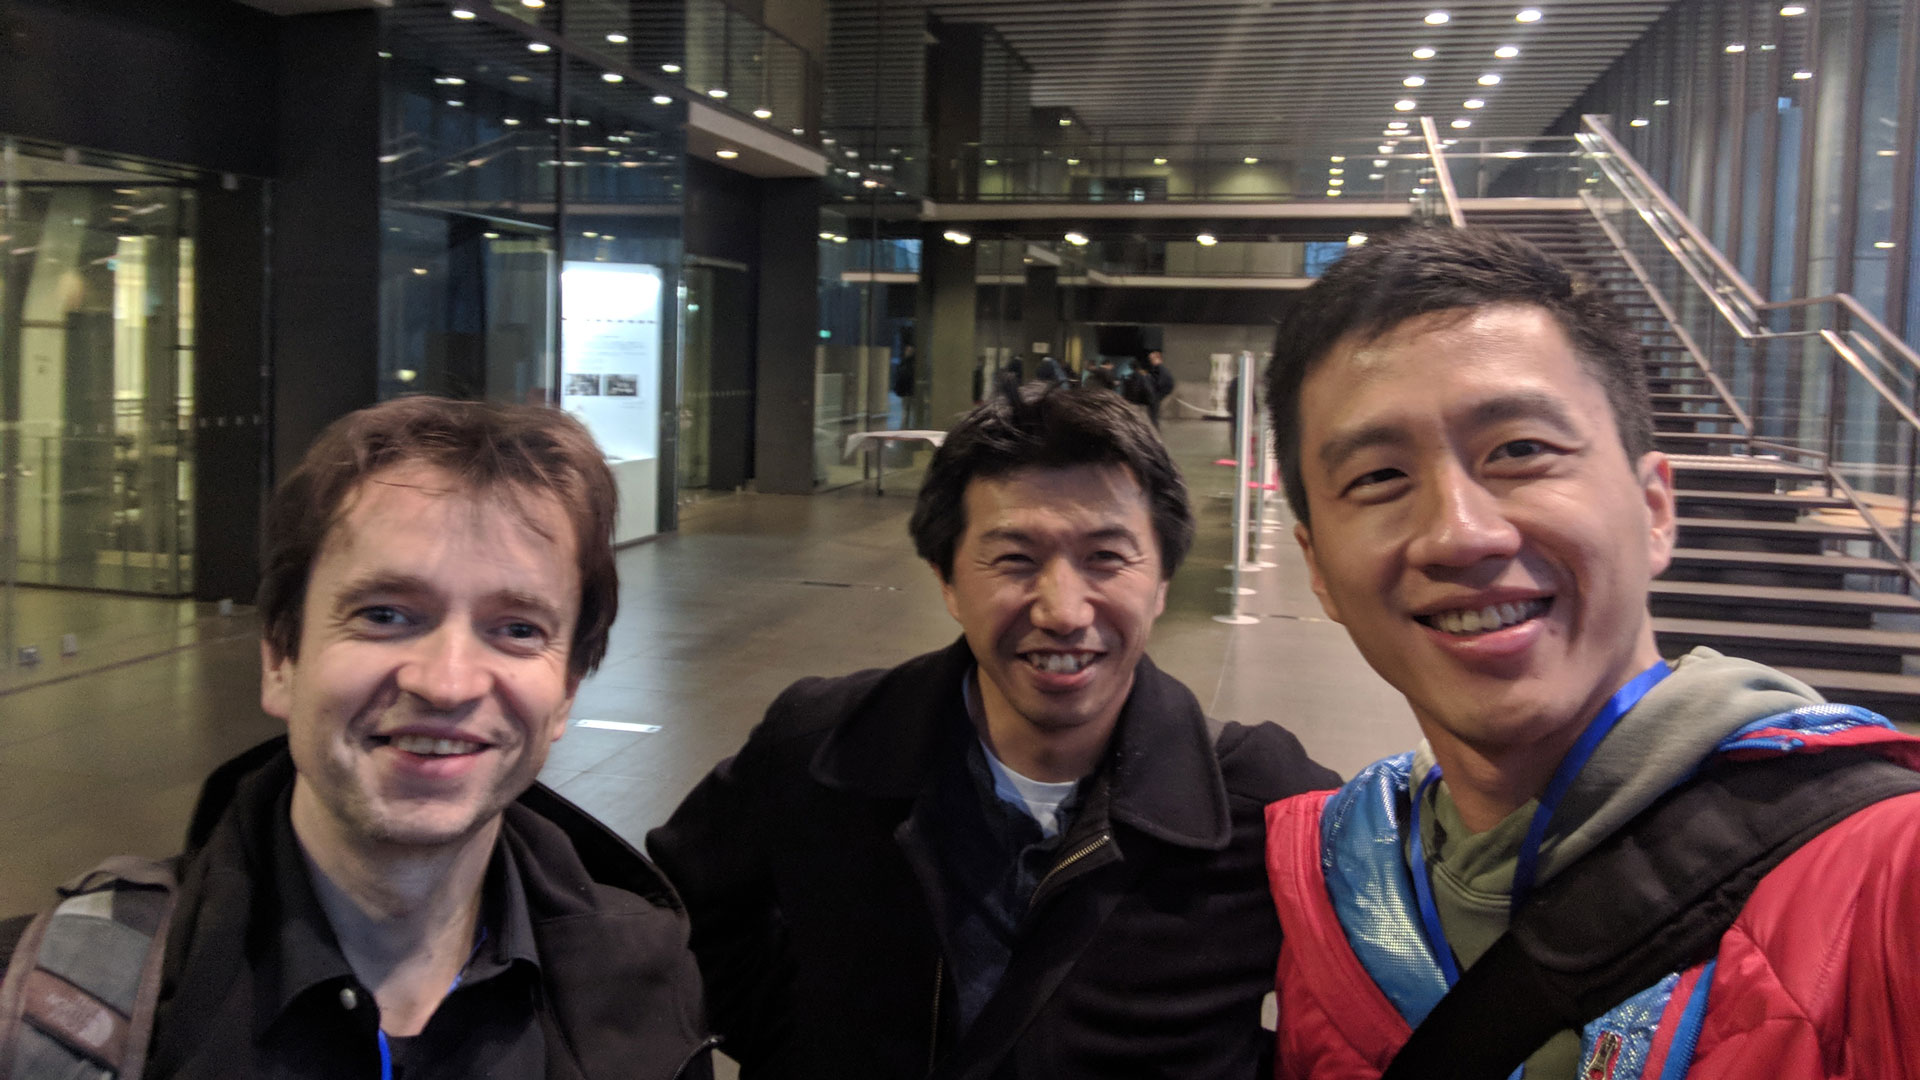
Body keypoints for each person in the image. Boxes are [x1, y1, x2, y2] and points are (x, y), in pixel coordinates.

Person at [1260, 228, 1920, 1079]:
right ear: (1317, 567)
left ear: (1654, 510)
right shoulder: (1332, 880)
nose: (1460, 533)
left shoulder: (1883, 884)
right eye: (1379, 477)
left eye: (1521, 451)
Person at [0, 397, 711, 1079]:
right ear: (281, 659)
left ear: (566, 693)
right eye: (385, 614)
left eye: (518, 629)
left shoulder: (643, 985)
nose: (448, 683)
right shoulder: (52, 1005)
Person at [649, 385, 1337, 1079]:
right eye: (1014, 559)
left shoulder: (1268, 809)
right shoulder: (822, 751)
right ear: (947, 580)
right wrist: (801, 1046)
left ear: (1161, 582)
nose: (1063, 611)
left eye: (1106, 557)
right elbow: (676, 913)